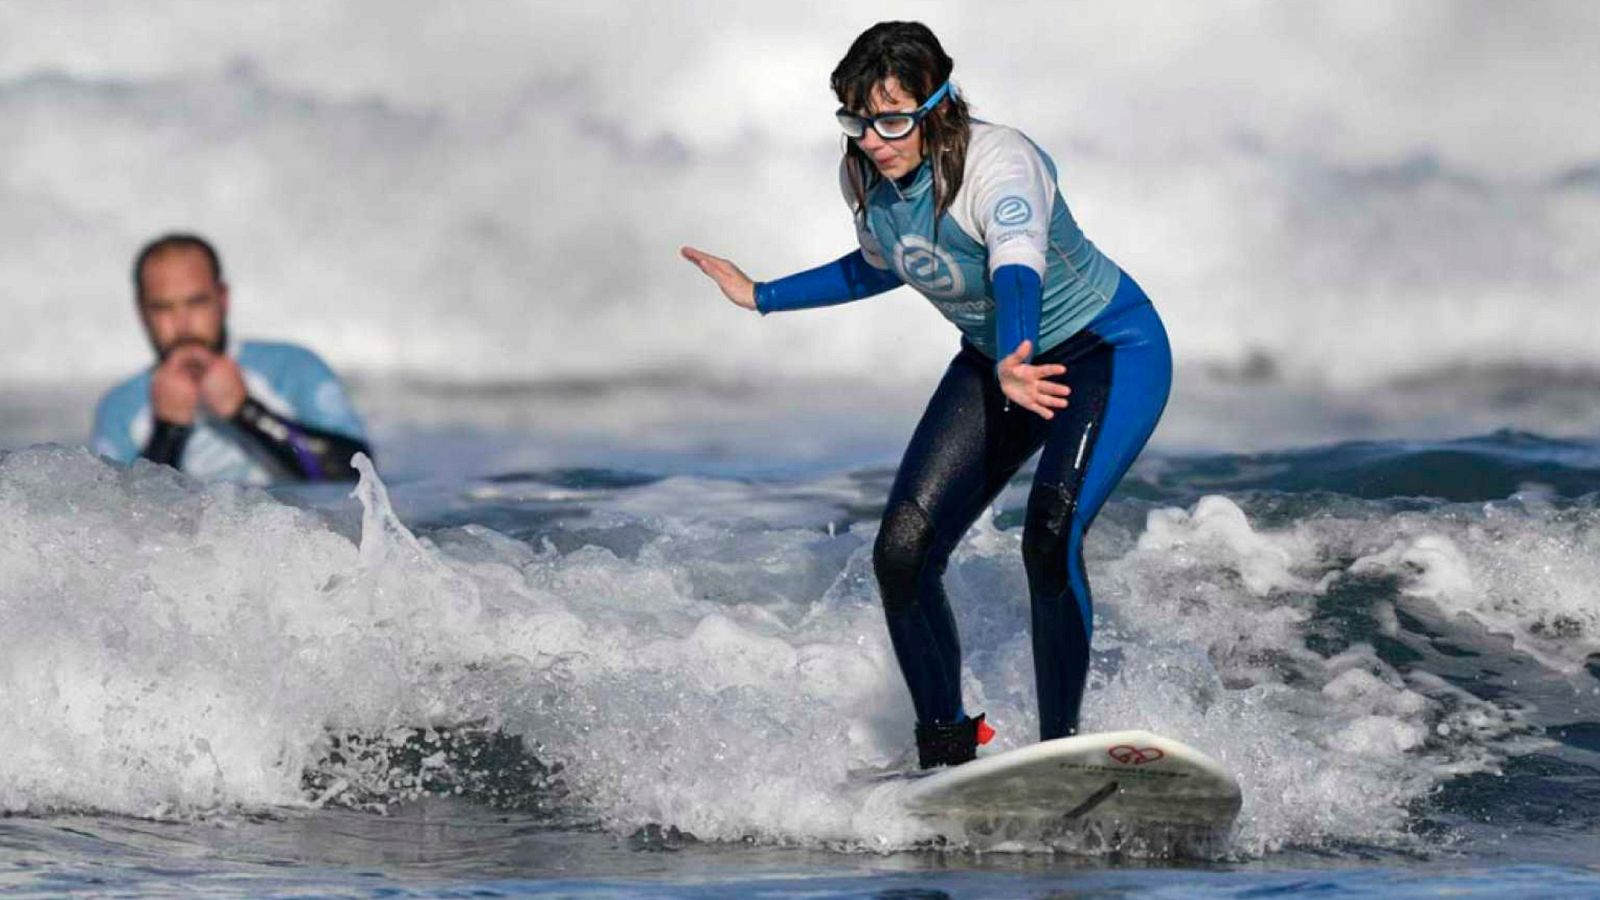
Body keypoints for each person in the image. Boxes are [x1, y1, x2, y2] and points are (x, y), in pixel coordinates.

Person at [681, 21, 1172, 768]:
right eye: (856, 119)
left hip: (1110, 350)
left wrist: (1015, 355)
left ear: (939, 106)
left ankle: (1060, 754)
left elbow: (1017, 267)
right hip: (998, 360)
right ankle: (947, 752)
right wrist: (762, 295)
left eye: (890, 119)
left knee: (1047, 537)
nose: (872, 140)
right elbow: (890, 263)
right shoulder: (866, 172)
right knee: (903, 554)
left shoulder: (1000, 162)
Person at [92, 233, 372, 484]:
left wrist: (246, 412)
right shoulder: (120, 406)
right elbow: (120, 525)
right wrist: (168, 429)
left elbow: (359, 477)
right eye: (163, 308)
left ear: (222, 298)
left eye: (197, 302)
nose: (183, 323)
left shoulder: (294, 367)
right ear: (142, 313)